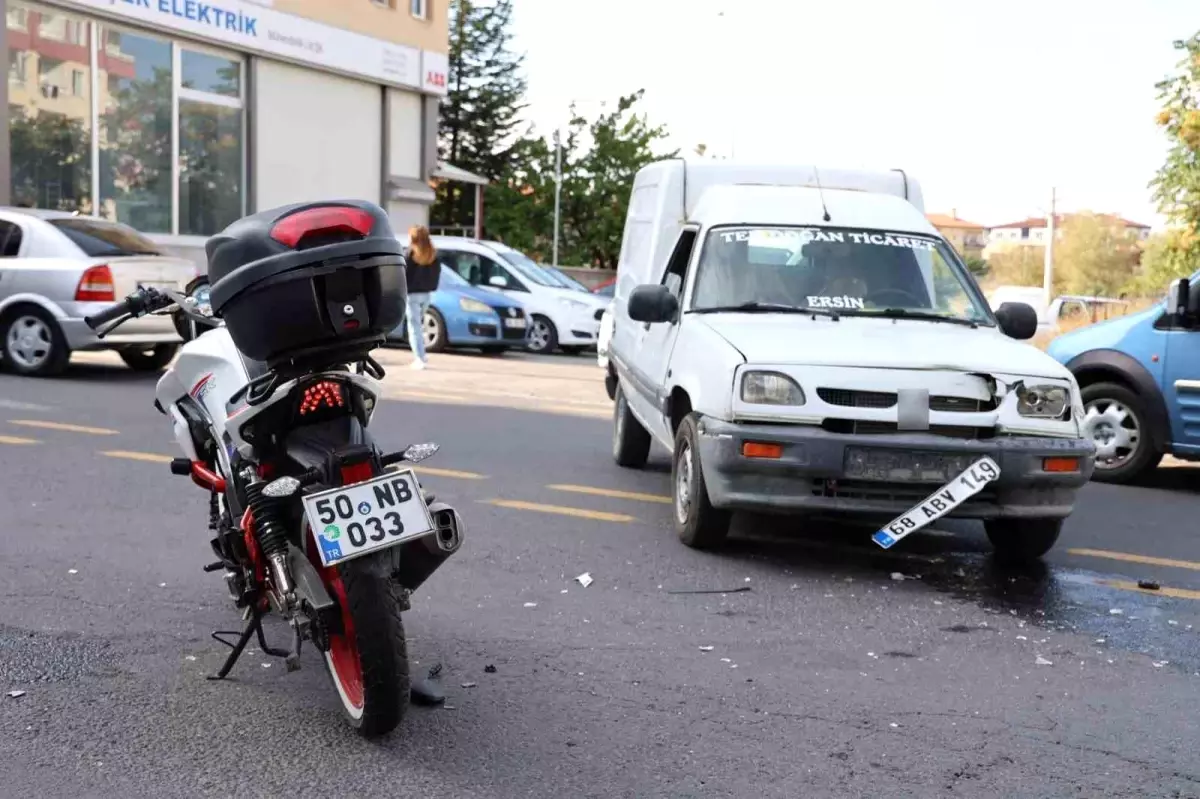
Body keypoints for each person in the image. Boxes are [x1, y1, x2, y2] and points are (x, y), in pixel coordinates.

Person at [404, 225, 441, 370]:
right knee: (419, 325)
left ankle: (419, 358)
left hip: (412, 294)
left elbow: (404, 274)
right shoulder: (432, 254)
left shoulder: (410, 254)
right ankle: (422, 354)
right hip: (426, 294)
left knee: (414, 327)